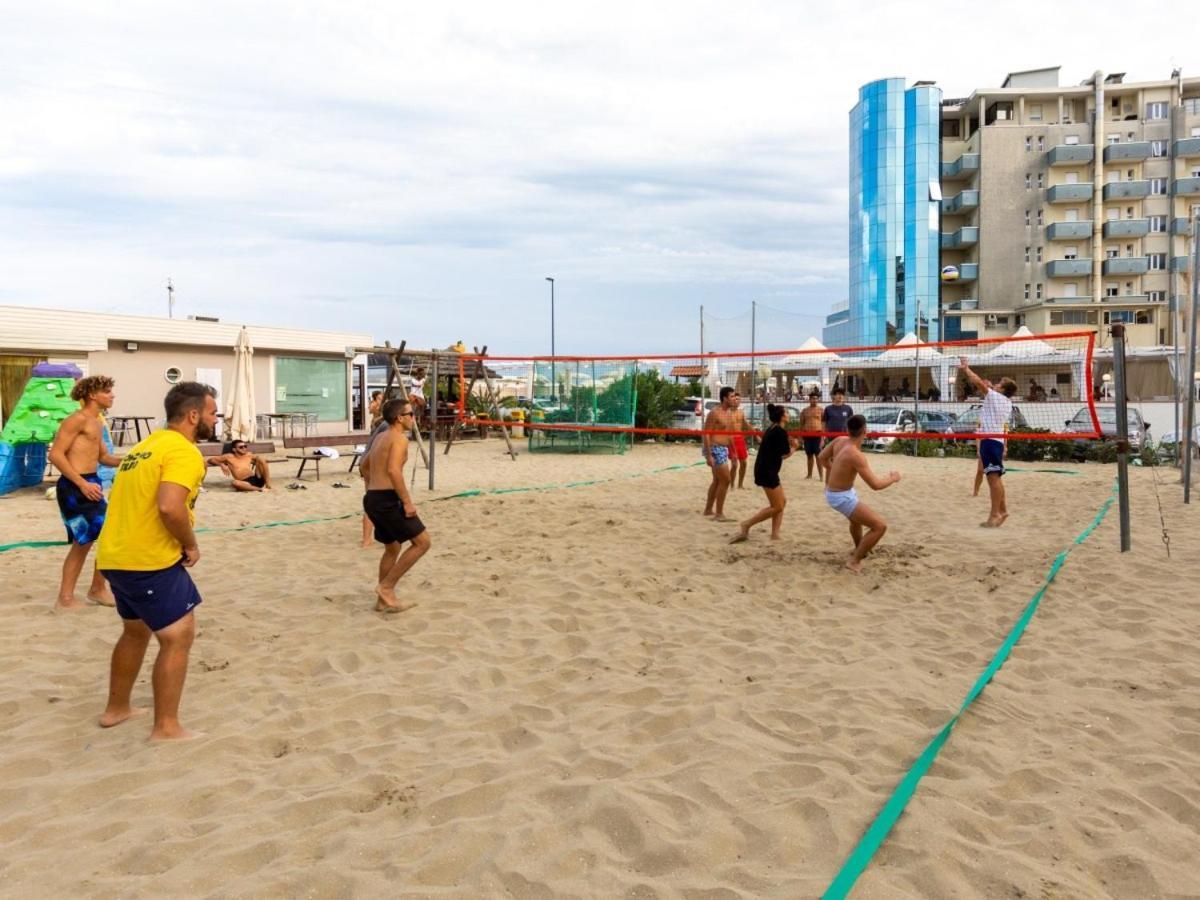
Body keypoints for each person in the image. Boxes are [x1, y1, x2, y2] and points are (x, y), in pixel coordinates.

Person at [96, 381, 217, 741]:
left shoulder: (145, 445)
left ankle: (116, 709)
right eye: (212, 412)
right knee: (178, 636)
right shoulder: (182, 451)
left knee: (135, 631)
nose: (215, 418)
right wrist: (190, 544)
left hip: (115, 555)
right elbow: (169, 506)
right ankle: (166, 727)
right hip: (148, 558)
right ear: (194, 415)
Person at [48, 375, 124, 609]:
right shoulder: (76, 420)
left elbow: (103, 457)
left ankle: (97, 588)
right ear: (92, 395)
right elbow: (56, 455)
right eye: (107, 391)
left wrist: (131, 460)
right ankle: (67, 597)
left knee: (106, 537)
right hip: (75, 486)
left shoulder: (97, 421)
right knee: (84, 543)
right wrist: (81, 483)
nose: (112, 395)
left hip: (91, 483)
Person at [361, 399, 430, 612]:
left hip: (373, 498)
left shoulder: (380, 436)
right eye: (411, 414)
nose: (414, 418)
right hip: (387, 499)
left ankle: (382, 602)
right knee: (422, 543)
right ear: (400, 418)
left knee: (392, 547)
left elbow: (364, 466)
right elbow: (393, 470)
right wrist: (407, 502)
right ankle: (387, 588)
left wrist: (373, 486)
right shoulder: (399, 439)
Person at [818, 414, 901, 573]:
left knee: (856, 521)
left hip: (837, 492)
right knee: (879, 526)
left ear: (848, 429)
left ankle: (859, 549)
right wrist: (892, 478)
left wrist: (833, 470)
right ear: (865, 430)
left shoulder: (839, 440)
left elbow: (822, 457)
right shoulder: (856, 455)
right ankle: (854, 561)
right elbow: (875, 485)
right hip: (840, 496)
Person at [959, 358, 1017, 527]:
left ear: (1003, 390)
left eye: (999, 384)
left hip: (991, 441)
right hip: (993, 440)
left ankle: (994, 515)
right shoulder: (1004, 400)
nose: (996, 385)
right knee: (996, 478)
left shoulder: (996, 397)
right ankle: (1003, 510)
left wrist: (966, 368)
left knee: (993, 479)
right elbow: (983, 386)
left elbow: (978, 382)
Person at [731, 404, 798, 543]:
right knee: (777, 506)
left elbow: (776, 452)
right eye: (786, 412)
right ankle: (746, 524)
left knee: (782, 502)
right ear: (782, 416)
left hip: (767, 469)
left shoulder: (773, 428)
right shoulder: (779, 431)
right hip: (767, 471)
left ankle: (775, 535)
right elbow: (784, 455)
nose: (788, 414)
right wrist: (795, 448)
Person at [701, 387, 738, 521]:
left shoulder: (729, 413)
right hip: (714, 448)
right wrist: (709, 455)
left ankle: (708, 510)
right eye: (732, 396)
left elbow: (730, 435)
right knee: (726, 480)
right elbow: (706, 434)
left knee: (717, 481)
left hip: (723, 448)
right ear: (725, 398)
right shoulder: (714, 413)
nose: (735, 399)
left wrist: (733, 453)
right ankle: (719, 514)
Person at [207, 440, 272, 491]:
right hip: (245, 482)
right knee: (235, 483)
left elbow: (262, 460)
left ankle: (268, 484)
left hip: (257, 478)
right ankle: (260, 489)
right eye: (241, 447)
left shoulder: (248, 455)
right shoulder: (229, 457)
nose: (244, 448)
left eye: (245, 446)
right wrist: (221, 464)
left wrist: (257, 461)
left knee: (261, 459)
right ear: (234, 449)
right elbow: (210, 460)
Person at [797, 390, 825, 479]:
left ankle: (821, 476)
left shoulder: (821, 410)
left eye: (816, 399)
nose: (815, 400)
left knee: (818, 456)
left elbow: (824, 425)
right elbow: (801, 424)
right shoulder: (804, 411)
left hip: (818, 434)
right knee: (809, 455)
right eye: (813, 399)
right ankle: (809, 475)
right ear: (809, 400)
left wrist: (823, 438)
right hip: (807, 435)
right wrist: (800, 436)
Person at [729, 391, 751, 489]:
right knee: (734, 464)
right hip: (731, 440)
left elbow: (747, 425)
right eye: (735, 399)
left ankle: (740, 485)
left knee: (744, 463)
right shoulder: (727, 413)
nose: (737, 401)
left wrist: (757, 435)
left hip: (740, 439)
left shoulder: (741, 412)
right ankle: (732, 484)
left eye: (739, 399)